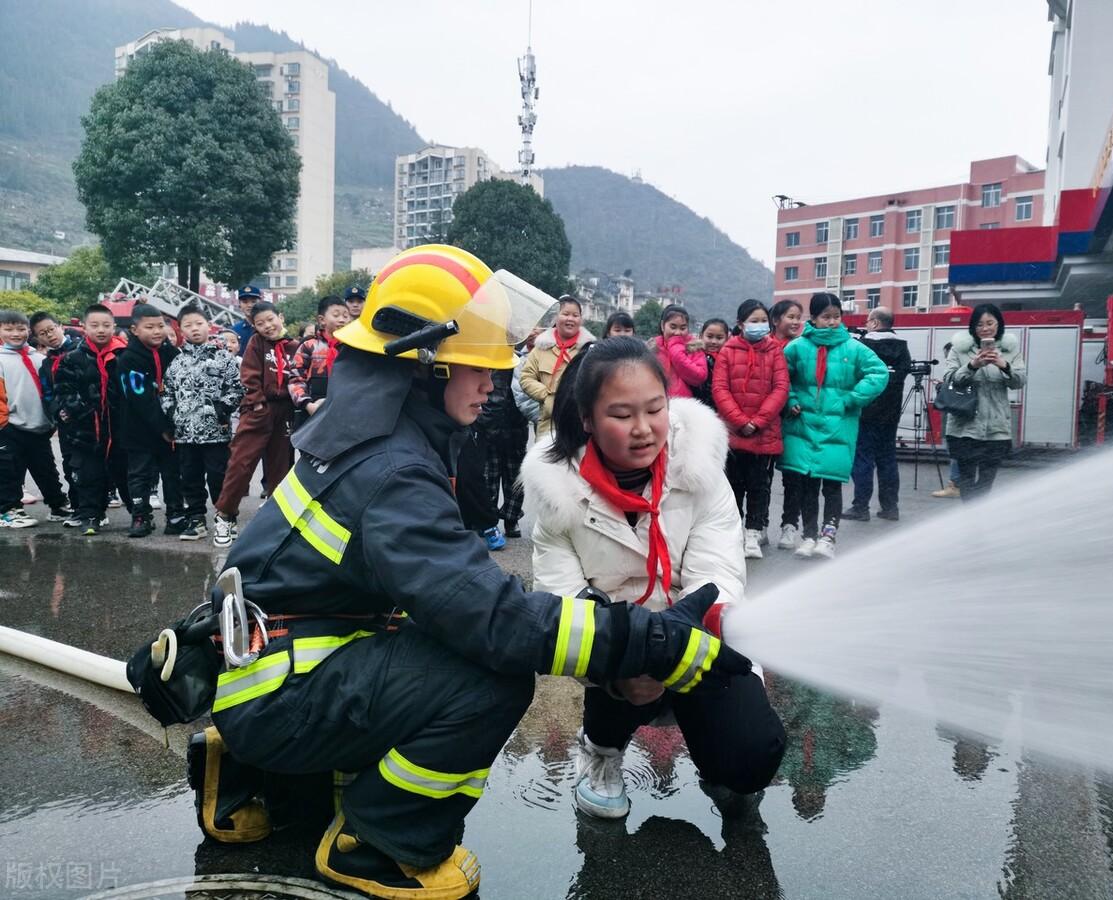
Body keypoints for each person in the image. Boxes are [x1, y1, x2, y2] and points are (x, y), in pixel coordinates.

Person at [188, 245, 749, 900]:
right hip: (283, 692)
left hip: (273, 664)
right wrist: (644, 639)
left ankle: (259, 768)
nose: (494, 379)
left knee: (432, 640)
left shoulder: (370, 432)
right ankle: (379, 845)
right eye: (477, 365)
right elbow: (492, 619)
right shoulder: (392, 467)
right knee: (489, 676)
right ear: (424, 367)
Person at [521, 335, 785, 822]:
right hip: (618, 654)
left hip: (697, 638)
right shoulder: (555, 497)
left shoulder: (701, 469)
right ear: (587, 420)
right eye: (621, 415)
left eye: (655, 409)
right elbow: (562, 607)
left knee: (751, 759)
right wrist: (622, 665)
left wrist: (675, 642)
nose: (644, 430)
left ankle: (718, 754)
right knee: (610, 649)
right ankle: (601, 752)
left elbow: (719, 574)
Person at [780, 294, 887, 559]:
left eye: (835, 316)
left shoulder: (853, 348)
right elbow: (781, 378)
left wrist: (852, 399)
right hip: (803, 426)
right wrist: (791, 400)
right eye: (825, 317)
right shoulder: (796, 347)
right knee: (807, 485)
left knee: (832, 484)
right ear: (813, 318)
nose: (831, 322)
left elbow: (879, 373)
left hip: (838, 427)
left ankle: (829, 536)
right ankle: (808, 536)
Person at [211, 301, 298, 548]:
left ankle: (275, 520)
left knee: (281, 468)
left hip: (285, 412)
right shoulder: (256, 344)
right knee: (241, 464)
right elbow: (248, 375)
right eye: (260, 324)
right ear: (254, 327)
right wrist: (258, 405)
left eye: (271, 319)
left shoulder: (294, 346)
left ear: (281, 316)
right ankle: (225, 515)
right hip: (258, 409)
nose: (267, 326)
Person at [711, 300, 788, 558]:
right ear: (740, 323)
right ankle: (734, 534)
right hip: (733, 434)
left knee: (759, 487)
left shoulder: (775, 351)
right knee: (732, 487)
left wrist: (758, 421)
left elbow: (781, 388)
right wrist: (740, 421)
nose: (759, 325)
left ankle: (754, 533)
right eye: (753, 321)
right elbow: (720, 389)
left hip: (763, 434)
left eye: (762, 320)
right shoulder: (728, 351)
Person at [162, 304, 244, 541]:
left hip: (216, 432)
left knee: (219, 477)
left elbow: (237, 388)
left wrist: (223, 409)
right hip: (186, 434)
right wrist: (171, 412)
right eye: (188, 325)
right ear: (181, 330)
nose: (194, 329)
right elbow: (166, 391)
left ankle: (226, 517)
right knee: (190, 478)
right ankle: (196, 519)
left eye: (199, 323)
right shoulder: (177, 362)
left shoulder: (224, 358)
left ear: (209, 325)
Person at [49, 304, 130, 535]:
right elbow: (64, 391)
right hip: (86, 429)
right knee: (88, 475)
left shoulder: (125, 355)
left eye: (106, 325)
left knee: (126, 474)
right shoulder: (72, 358)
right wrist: (83, 412)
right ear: (83, 327)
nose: (101, 330)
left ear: (114, 326)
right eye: (94, 325)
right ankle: (91, 516)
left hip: (120, 429)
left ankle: (139, 515)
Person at [942, 304, 1027, 502]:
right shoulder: (959, 349)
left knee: (987, 481)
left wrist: (1004, 365)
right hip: (965, 426)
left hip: (996, 427)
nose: (985, 328)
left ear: (999, 324)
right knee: (967, 479)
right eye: (980, 324)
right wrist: (972, 365)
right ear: (973, 326)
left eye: (990, 323)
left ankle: (976, 517)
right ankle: (971, 521)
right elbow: (949, 379)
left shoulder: (1009, 350)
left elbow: (1020, 381)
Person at [115, 304, 186, 538]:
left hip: (170, 429)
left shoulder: (173, 354)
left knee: (172, 473)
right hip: (138, 429)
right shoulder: (127, 359)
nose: (157, 331)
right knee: (139, 474)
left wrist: (173, 424)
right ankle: (141, 516)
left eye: (161, 326)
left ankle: (175, 515)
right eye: (150, 327)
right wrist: (163, 427)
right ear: (135, 329)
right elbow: (140, 398)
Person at [0, 310, 71, 527]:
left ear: (29, 332)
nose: (16, 333)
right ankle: (8, 511)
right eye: (9, 329)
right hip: (9, 426)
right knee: (9, 472)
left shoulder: (40, 358)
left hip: (39, 426)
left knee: (46, 469)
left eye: (21, 329)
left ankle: (57, 505)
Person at [845, 307, 911, 522]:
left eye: (867, 321)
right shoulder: (903, 347)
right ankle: (890, 507)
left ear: (874, 322)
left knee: (863, 458)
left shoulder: (865, 345)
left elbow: (853, 374)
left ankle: (861, 507)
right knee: (888, 460)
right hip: (891, 414)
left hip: (867, 411)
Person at [31, 311, 83, 515]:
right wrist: (58, 413)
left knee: (96, 465)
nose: (49, 335)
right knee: (71, 466)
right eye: (43, 333)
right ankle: (79, 508)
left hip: (90, 417)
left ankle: (96, 507)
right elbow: (47, 394)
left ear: (60, 325)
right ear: (37, 338)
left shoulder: (83, 349)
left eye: (51, 329)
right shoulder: (46, 364)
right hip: (66, 423)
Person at [519, 295, 591, 436]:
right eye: (565, 314)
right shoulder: (541, 347)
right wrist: (547, 396)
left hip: (579, 423)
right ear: (556, 318)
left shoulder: (588, 348)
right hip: (548, 424)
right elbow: (526, 378)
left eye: (575, 315)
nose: (570, 319)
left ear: (580, 320)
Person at [475, 362, 530, 541]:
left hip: (516, 428)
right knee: (489, 478)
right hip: (490, 428)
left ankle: (511, 519)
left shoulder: (522, 362)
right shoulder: (492, 362)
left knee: (514, 481)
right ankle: (488, 520)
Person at [768, 300, 806, 548]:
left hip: (794, 420)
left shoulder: (804, 348)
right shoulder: (765, 347)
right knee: (761, 479)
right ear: (776, 320)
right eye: (790, 316)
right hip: (768, 420)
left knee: (794, 479)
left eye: (798, 317)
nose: (795, 322)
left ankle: (789, 526)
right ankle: (757, 525)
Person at [288, 295, 351, 430]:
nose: (342, 319)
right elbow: (295, 379)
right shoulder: (309, 346)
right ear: (322, 320)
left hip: (346, 413)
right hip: (313, 413)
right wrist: (308, 405)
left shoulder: (353, 348)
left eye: (346, 316)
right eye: (336, 315)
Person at [931, 341, 962, 499]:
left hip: (954, 420)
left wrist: (941, 388)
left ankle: (955, 484)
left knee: (954, 451)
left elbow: (953, 395)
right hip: (957, 419)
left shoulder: (957, 371)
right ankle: (958, 483)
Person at [693, 317, 730, 408]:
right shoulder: (692, 355)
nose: (714, 341)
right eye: (709, 337)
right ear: (701, 336)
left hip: (721, 408)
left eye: (719, 338)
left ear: (727, 339)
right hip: (696, 405)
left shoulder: (730, 360)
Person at [231, 286, 260, 354]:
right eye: (245, 302)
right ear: (239, 305)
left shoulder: (267, 328)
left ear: (260, 303)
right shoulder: (234, 331)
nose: (249, 305)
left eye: (253, 301)